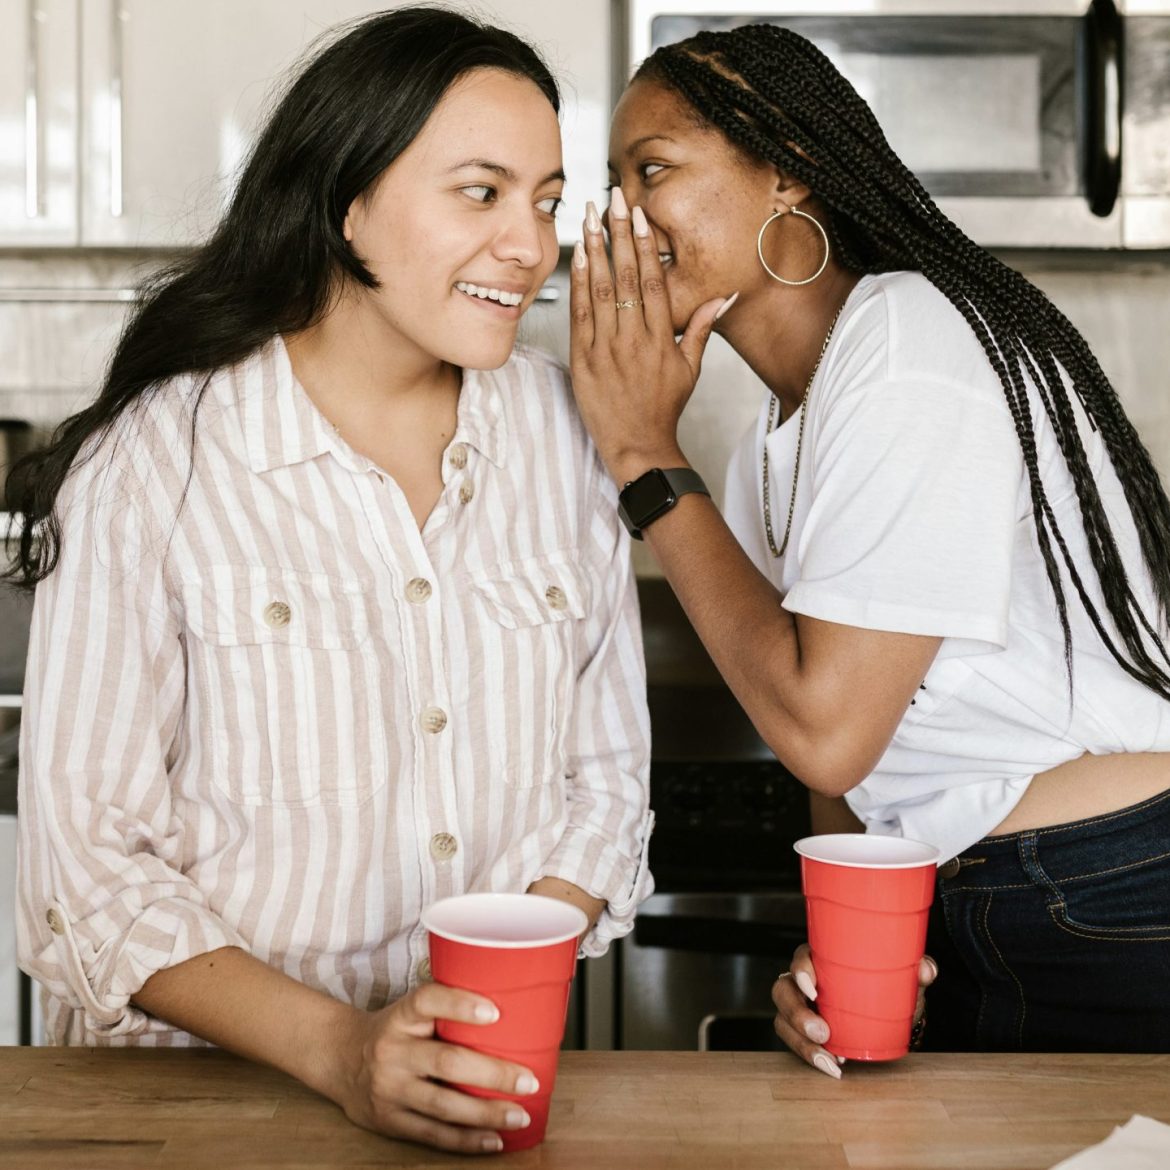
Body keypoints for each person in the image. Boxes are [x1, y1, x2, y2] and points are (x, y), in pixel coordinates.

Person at [6, 7, 652, 1154]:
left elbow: (602, 791)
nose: (530, 245)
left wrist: (476, 1014)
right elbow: (85, 870)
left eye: (548, 200)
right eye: (481, 192)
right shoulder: (161, 460)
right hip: (187, 1120)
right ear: (347, 202)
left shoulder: (566, 435)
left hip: (476, 1102)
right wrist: (345, 1052)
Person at [568, 22, 1170, 1075]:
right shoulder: (777, 438)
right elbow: (846, 775)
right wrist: (849, 952)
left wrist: (640, 452)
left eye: (652, 170)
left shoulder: (907, 335)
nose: (621, 213)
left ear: (789, 173)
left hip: (1115, 893)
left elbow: (826, 731)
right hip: (994, 900)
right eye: (611, 182)